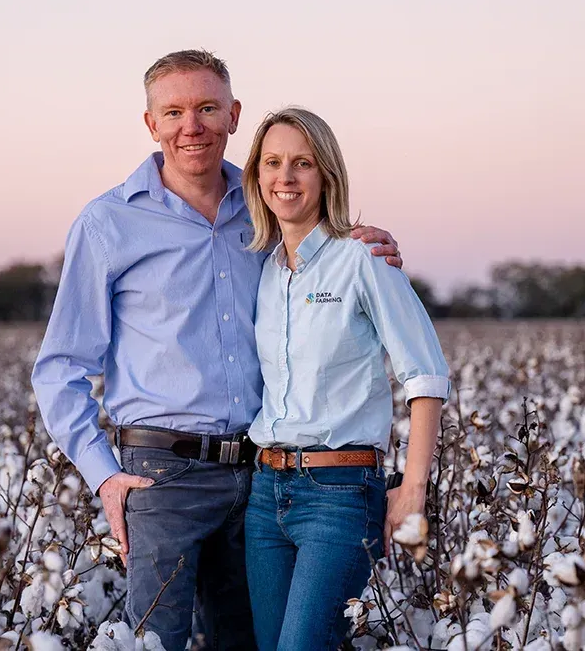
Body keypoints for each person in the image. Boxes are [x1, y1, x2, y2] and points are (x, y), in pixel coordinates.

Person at [31, 50, 402, 651]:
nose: (191, 126)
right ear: (150, 124)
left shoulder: (265, 209)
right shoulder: (108, 224)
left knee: (251, 642)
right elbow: (59, 369)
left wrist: (361, 240)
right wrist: (104, 478)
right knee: (159, 642)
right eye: (173, 112)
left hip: (261, 478)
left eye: (207, 108)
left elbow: (322, 264)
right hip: (160, 477)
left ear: (233, 114)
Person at [240, 107, 450, 651]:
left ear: (327, 174)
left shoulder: (363, 257)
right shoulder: (264, 272)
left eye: (303, 163)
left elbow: (425, 376)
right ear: (257, 177)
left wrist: (411, 487)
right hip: (266, 494)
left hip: (338, 495)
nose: (285, 177)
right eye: (273, 163)